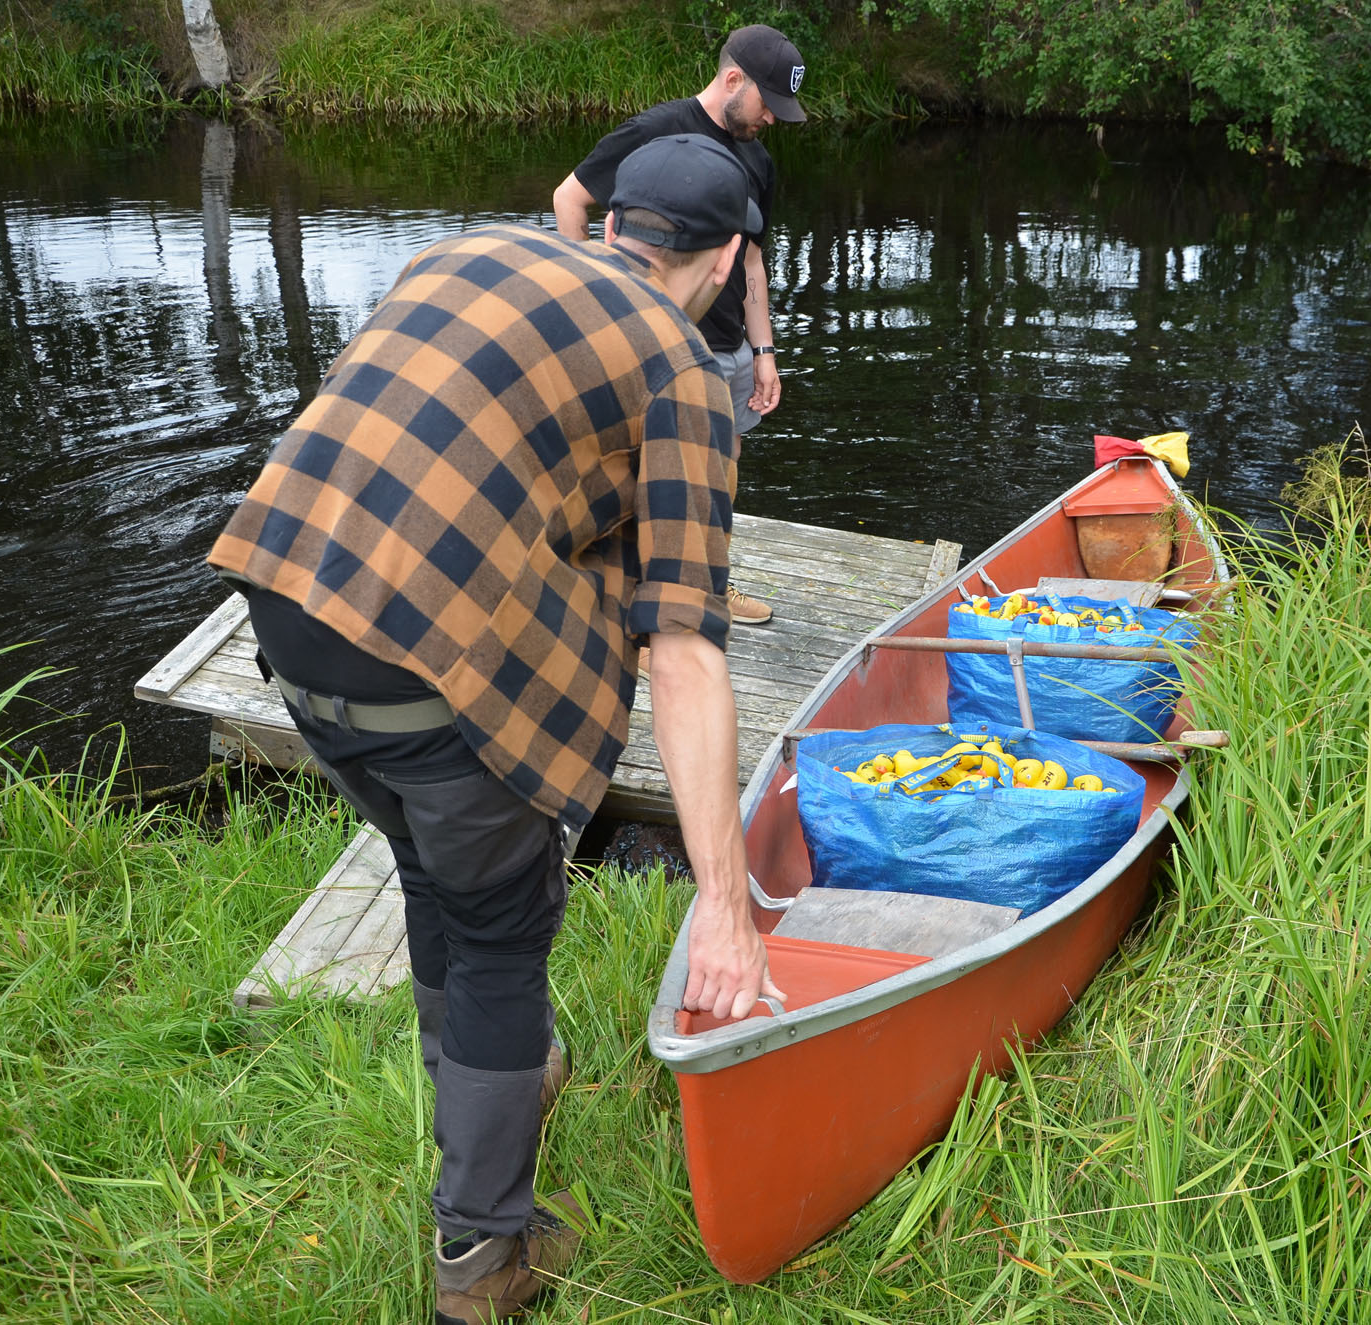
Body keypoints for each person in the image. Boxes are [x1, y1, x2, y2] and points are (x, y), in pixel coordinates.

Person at [207, 134, 784, 1325]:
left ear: (616, 218)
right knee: (503, 929)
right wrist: (721, 902)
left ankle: (497, 1078)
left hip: (281, 605)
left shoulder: (462, 250)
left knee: (440, 876)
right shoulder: (683, 369)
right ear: (727, 260)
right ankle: (483, 1257)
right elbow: (681, 648)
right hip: (412, 664)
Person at [552, 23, 806, 627]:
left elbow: (749, 257)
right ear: (732, 79)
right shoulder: (654, 131)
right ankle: (628, 604)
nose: (771, 118)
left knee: (722, 469)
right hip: (653, 342)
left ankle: (711, 584)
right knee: (639, 473)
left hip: (728, 345)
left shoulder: (758, 159)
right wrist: (598, 306)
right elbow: (569, 199)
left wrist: (764, 349)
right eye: (768, 104)